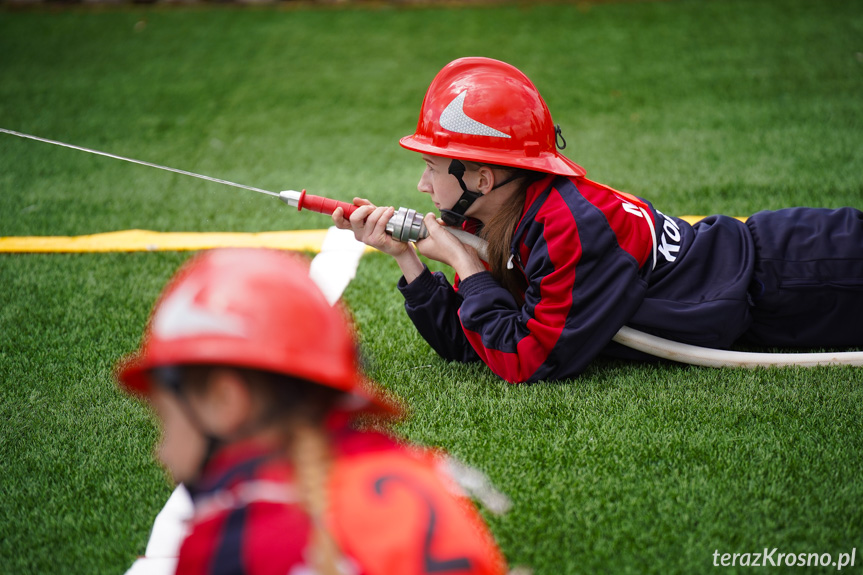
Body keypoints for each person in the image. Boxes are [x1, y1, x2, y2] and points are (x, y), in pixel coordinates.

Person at [333, 56, 863, 384]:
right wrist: (408, 259)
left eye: (430, 166)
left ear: (482, 179)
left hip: (802, 274)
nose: (423, 185)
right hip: (776, 277)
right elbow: (473, 343)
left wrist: (460, 263)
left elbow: (528, 361)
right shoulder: (512, 218)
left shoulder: (567, 225)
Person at [115, 247, 509, 575]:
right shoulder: (420, 475)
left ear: (225, 400)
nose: (161, 451)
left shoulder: (235, 537)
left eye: (165, 421)